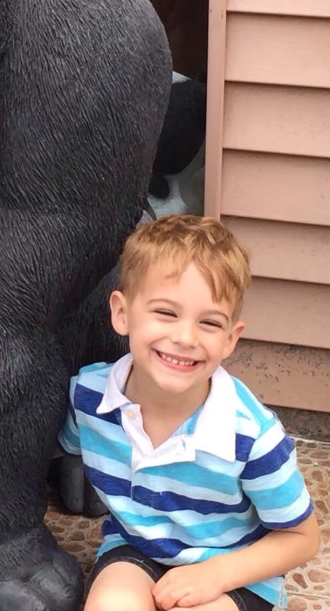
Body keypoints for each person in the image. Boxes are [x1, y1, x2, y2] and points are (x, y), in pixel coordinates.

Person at [59, 214, 320, 611]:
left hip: (234, 566)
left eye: (209, 322)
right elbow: (53, 453)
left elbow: (303, 539)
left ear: (230, 339)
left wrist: (215, 575)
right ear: (121, 313)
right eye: (166, 312)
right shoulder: (87, 398)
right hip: (138, 547)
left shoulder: (251, 437)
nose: (184, 337)